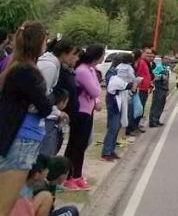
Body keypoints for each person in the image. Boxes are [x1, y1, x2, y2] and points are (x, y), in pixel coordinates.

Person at [0, 21, 51, 215]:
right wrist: (44, 102)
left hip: (16, 139)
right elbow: (45, 107)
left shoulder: (14, 67)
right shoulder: (27, 71)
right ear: (38, 42)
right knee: (5, 206)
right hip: (21, 141)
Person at [62, 44, 104, 191]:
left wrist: (96, 99)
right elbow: (95, 89)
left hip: (88, 110)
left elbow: (95, 91)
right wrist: (96, 96)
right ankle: (68, 177)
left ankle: (77, 175)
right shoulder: (83, 71)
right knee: (76, 145)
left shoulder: (90, 69)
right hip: (80, 111)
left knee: (82, 144)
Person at [37, 37, 78, 157]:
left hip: (47, 114)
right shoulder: (50, 66)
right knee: (45, 155)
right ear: (64, 53)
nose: (75, 58)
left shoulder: (55, 64)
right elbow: (42, 95)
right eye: (73, 54)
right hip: (43, 118)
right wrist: (57, 112)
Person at [103, 53, 139, 162]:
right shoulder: (111, 72)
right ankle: (106, 152)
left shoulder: (116, 71)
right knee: (113, 127)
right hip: (113, 101)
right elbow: (113, 85)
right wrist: (128, 85)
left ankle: (111, 150)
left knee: (118, 126)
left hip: (120, 99)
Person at [132, 46, 154, 133]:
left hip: (145, 88)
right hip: (140, 89)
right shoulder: (141, 62)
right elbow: (137, 74)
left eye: (150, 53)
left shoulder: (146, 63)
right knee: (138, 108)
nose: (149, 55)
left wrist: (150, 84)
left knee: (141, 108)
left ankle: (137, 125)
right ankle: (134, 126)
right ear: (143, 54)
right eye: (147, 53)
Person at [148, 56, 169, 128]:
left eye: (168, 59)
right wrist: (161, 76)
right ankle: (152, 121)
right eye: (165, 59)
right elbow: (153, 75)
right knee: (156, 105)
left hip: (164, 89)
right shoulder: (159, 67)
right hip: (158, 89)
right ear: (162, 59)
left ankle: (157, 119)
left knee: (161, 105)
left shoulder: (165, 68)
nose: (167, 60)